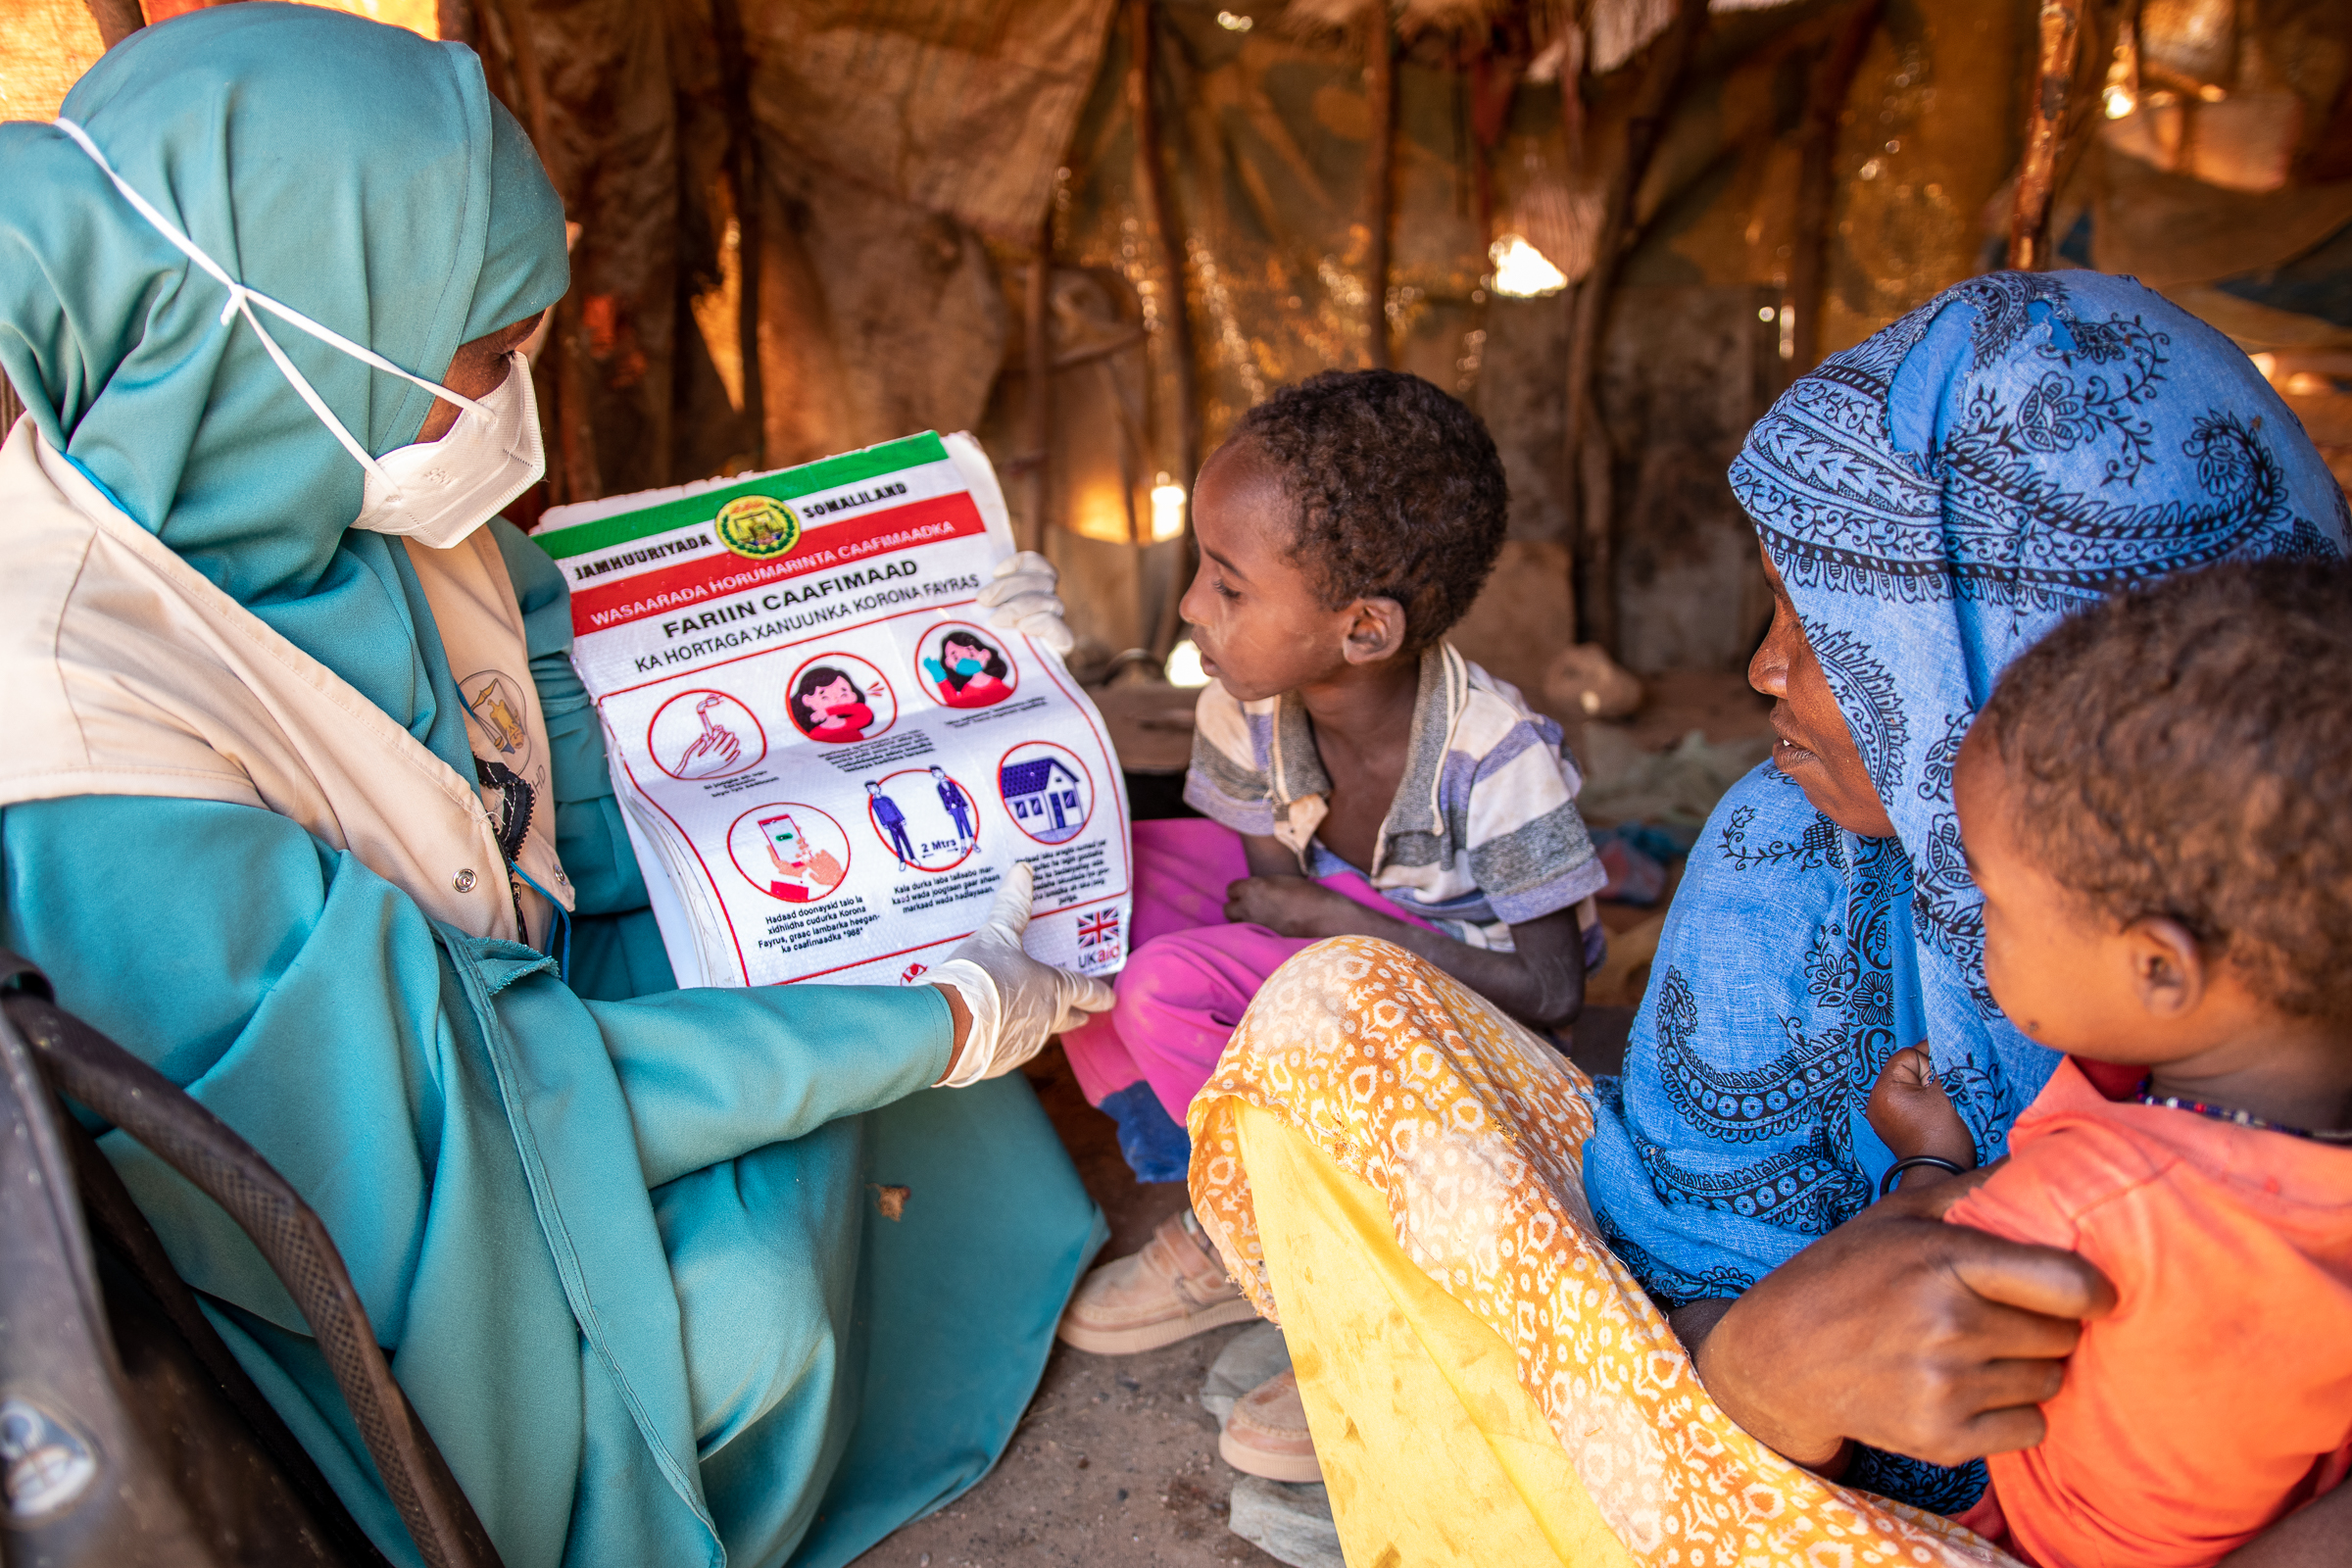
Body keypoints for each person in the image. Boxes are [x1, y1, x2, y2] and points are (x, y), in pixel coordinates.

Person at [0, 11, 1112, 1568]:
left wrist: (937, 649)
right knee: (746, 1315)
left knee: (841, 913)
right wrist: (922, 1024)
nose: (519, 400)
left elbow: (602, 719)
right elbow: (462, 1116)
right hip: (371, 1219)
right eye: (494, 353)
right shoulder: (78, 729)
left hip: (504, 1007)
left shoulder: (315, 479)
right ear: (317, 334)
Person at [1180, 270, 2349, 1563]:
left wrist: (1742, 1393)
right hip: (1797, 1411)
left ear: (2029, 648)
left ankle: (1463, 1426)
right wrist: (1782, 1348)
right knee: (1333, 1016)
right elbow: (1714, 1238)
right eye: (1777, 609)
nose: (1763, 670)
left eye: (1840, 633)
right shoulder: (1794, 847)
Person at [1054, 372, 1608, 1473]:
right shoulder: (1242, 702)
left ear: (1361, 630)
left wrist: (1329, 923)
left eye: (1227, 584)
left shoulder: (1497, 757)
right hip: (1340, 960)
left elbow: (1553, 993)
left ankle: (1349, 1276)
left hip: (1475, 1029)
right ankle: (1244, 1212)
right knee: (1089, 895)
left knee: (1165, 986)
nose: (1190, 610)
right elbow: (1260, 882)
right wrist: (1305, 920)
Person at [1864, 559, 2352, 1568]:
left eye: (1996, 901)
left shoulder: (2085, 1207)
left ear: (2158, 969)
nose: (1979, 928)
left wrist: (1929, 1162)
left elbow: (1889, 1290)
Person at [923, 628, 1012, 708]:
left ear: (985, 654)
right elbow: (955, 703)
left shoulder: (997, 684)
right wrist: (940, 677)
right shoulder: (967, 691)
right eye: (956, 657)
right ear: (949, 663)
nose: (965, 659)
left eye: (971, 653)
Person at [792, 663, 874, 743]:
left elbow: (865, 713)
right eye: (824, 697)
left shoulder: (851, 723)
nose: (836, 699)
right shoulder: (817, 733)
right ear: (807, 700)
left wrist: (829, 711)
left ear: (853, 695)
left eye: (843, 694)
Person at [866, 779, 916, 863]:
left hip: (897, 820)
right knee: (896, 841)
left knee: (905, 840)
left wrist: (902, 818)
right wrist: (883, 823)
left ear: (878, 788)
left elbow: (895, 808)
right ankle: (902, 860)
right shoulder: (875, 802)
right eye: (870, 789)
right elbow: (879, 814)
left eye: (874, 787)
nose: (873, 790)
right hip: (890, 823)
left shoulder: (886, 799)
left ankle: (912, 858)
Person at [931, 764, 974, 842]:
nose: (937, 774)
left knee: (966, 822)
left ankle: (972, 841)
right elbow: (943, 799)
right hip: (952, 807)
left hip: (960, 805)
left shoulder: (951, 783)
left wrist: (965, 804)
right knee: (958, 824)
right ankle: (963, 843)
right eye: (935, 773)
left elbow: (958, 793)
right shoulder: (939, 787)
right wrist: (948, 808)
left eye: (938, 772)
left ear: (942, 772)